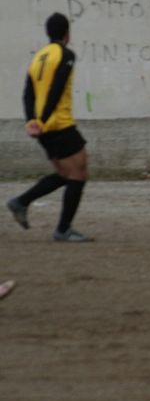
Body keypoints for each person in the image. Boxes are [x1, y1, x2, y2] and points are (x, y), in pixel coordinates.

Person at [6, 13, 92, 242]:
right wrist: (42, 120)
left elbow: (28, 94)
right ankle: (63, 230)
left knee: (66, 173)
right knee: (79, 172)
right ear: (67, 34)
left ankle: (21, 202)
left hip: (43, 128)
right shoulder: (66, 55)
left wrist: (31, 121)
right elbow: (57, 89)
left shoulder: (38, 58)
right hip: (59, 124)